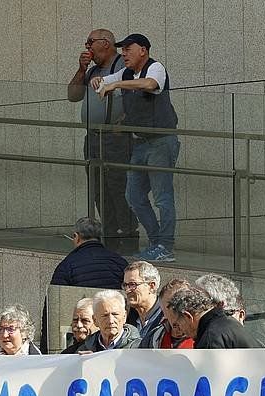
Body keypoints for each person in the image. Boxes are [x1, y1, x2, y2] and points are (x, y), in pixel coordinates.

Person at [92, 33, 180, 263]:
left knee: (163, 197)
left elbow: (150, 85)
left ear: (143, 50)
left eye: (128, 49)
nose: (124, 54)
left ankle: (166, 246)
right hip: (140, 142)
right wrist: (98, 82)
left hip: (161, 140)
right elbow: (105, 81)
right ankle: (156, 241)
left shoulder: (156, 67)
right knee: (133, 195)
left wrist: (116, 84)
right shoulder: (127, 72)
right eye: (122, 50)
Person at [67, 28, 138, 252]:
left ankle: (126, 236)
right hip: (93, 138)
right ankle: (108, 235)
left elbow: (138, 97)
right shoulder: (92, 70)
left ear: (105, 43)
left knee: (119, 187)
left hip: (115, 139)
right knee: (99, 189)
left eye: (90, 43)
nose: (87, 47)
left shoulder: (123, 67)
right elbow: (73, 95)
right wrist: (81, 69)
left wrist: (124, 122)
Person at [49, 217, 132, 288]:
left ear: (76, 237)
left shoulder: (67, 265)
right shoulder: (119, 261)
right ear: (99, 236)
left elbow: (55, 300)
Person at [124, 260, 165, 348]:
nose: (127, 290)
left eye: (133, 284)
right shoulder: (126, 316)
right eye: (125, 285)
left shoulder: (166, 317)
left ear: (151, 286)